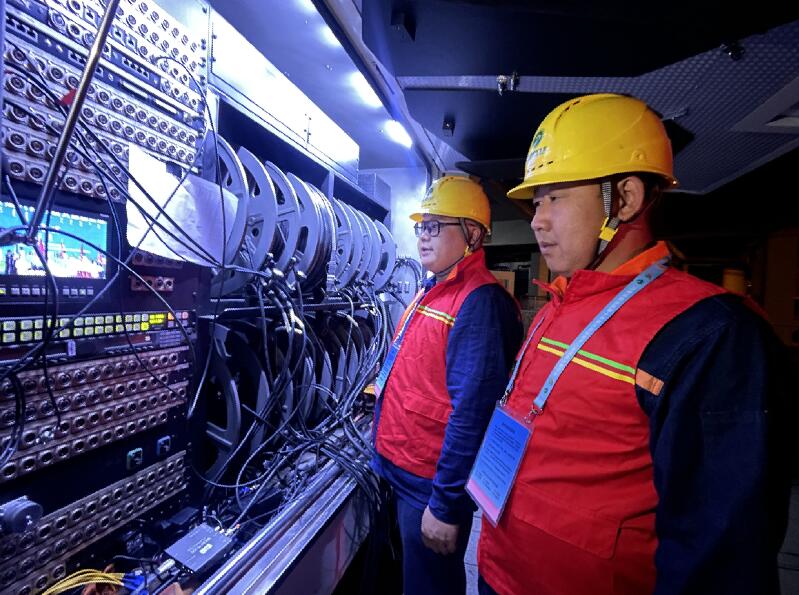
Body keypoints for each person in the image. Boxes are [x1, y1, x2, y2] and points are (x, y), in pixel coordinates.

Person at [475, 94, 792, 595]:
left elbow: (720, 552)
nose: (537, 219)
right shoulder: (561, 302)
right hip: (502, 573)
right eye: (536, 201)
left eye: (556, 196)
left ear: (623, 199)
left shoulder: (709, 333)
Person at [372, 175, 523, 595]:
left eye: (436, 226)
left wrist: (445, 504)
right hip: (399, 467)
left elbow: (473, 415)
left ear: (472, 234)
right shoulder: (433, 290)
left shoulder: (479, 302)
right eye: (423, 226)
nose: (423, 236)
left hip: (427, 483)